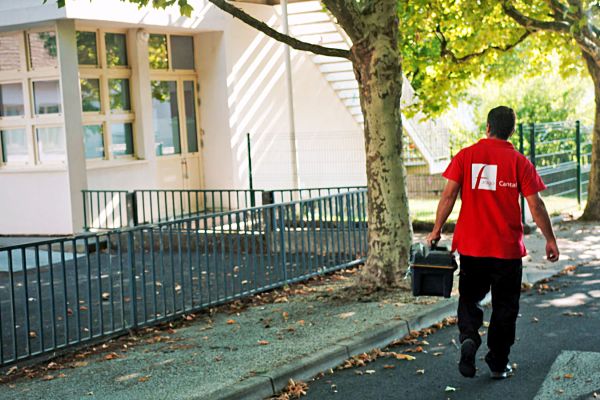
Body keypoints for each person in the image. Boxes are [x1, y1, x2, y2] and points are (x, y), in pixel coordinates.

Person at [425, 106, 559, 379]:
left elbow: (448, 196)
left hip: (472, 247)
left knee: (470, 298)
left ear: (487, 127)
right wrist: (550, 239)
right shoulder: (520, 162)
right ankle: (498, 363)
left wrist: (436, 230)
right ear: (511, 131)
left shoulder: (465, 156)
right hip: (506, 250)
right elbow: (536, 205)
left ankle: (469, 338)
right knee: (505, 307)